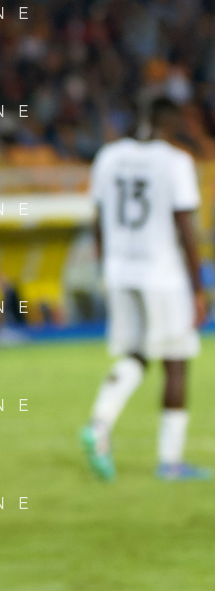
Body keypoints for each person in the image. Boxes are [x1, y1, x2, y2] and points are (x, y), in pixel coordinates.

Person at [81, 97, 210, 481]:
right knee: (176, 360)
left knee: (136, 355)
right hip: (162, 273)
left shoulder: (109, 156)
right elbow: (185, 227)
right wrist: (198, 287)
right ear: (172, 123)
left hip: (120, 270)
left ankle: (99, 424)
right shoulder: (175, 161)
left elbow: (99, 218)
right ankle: (170, 461)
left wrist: (105, 265)